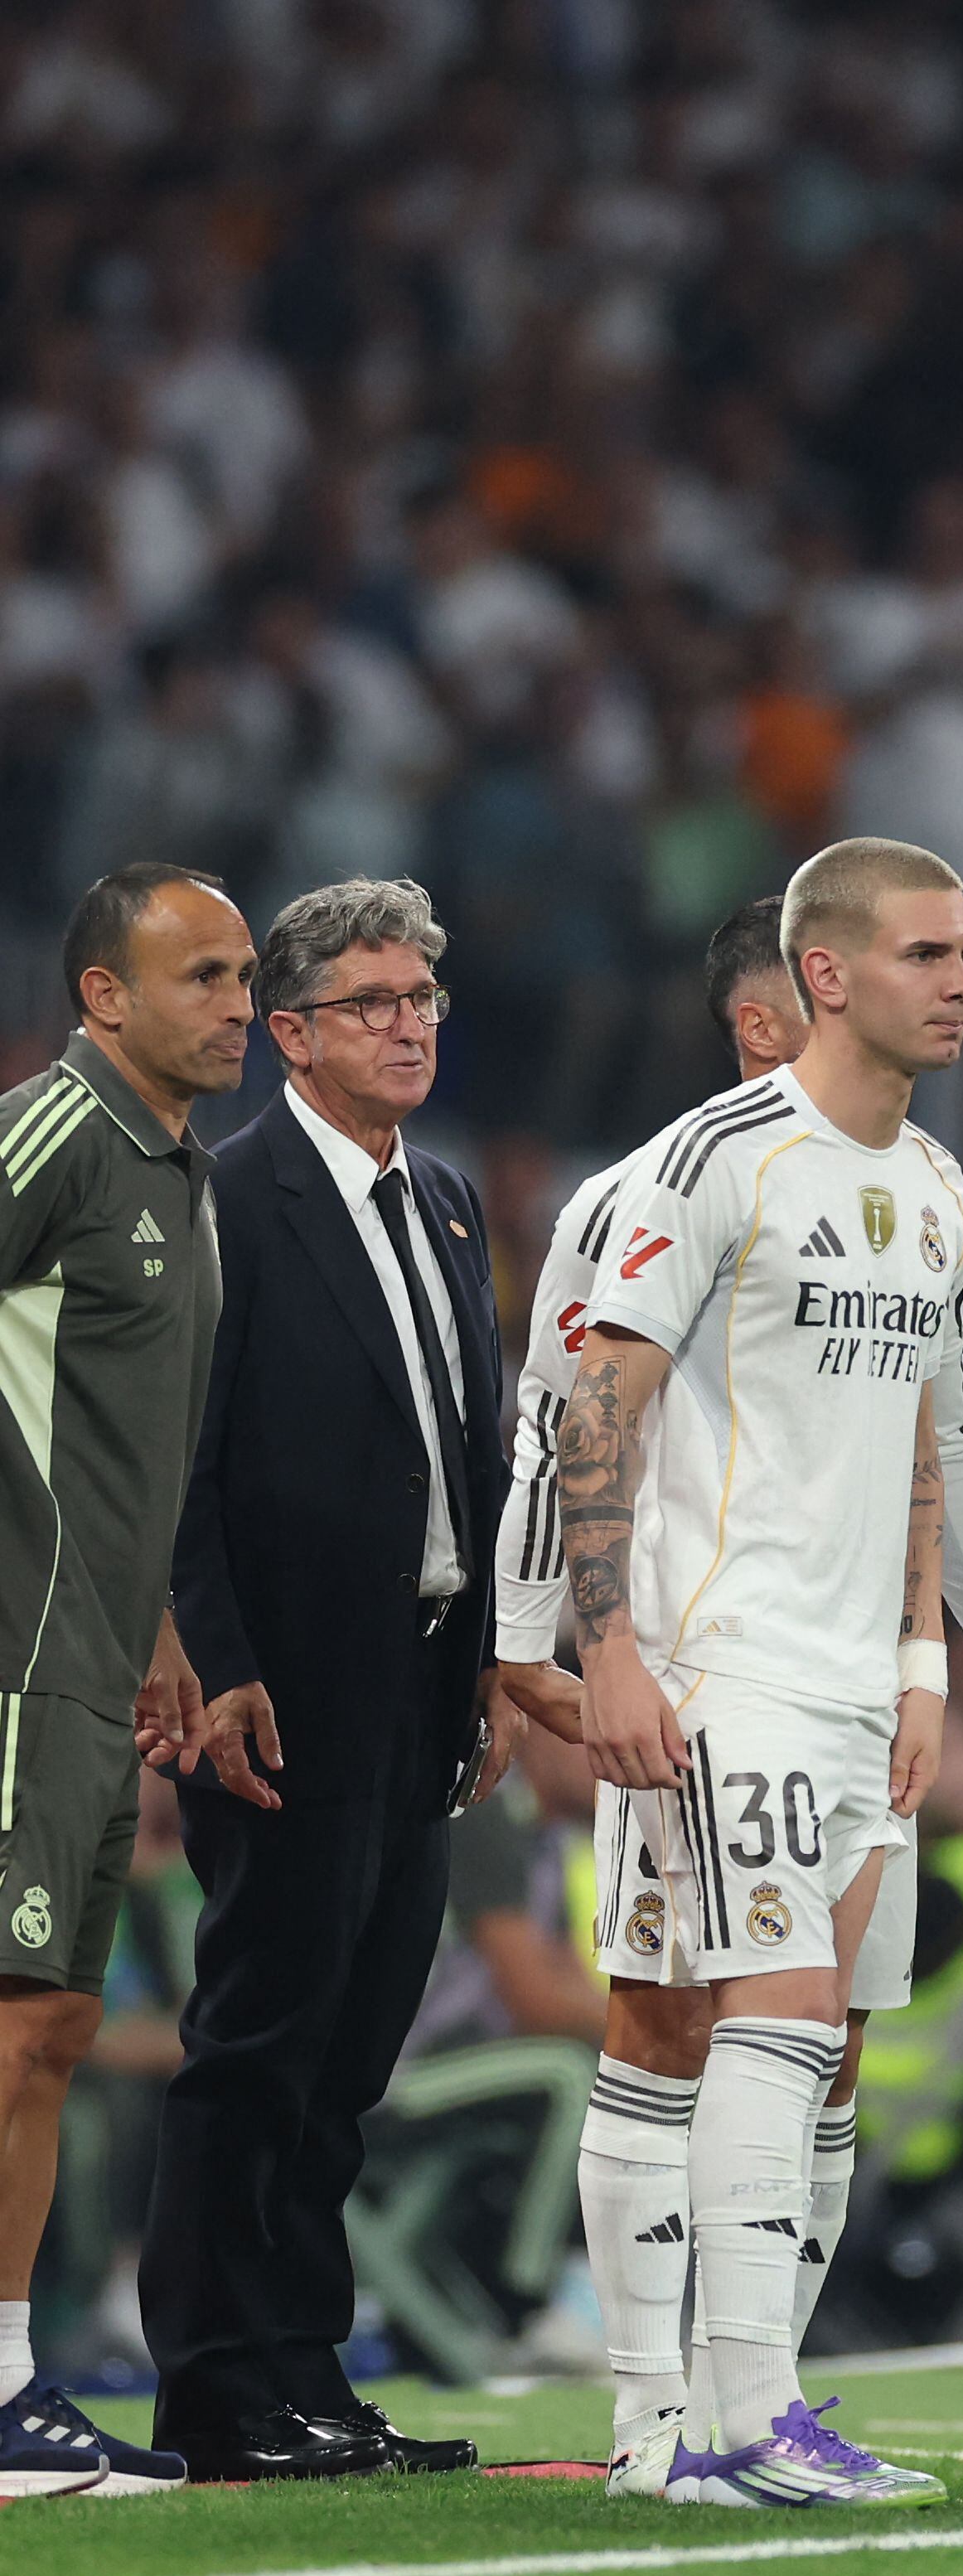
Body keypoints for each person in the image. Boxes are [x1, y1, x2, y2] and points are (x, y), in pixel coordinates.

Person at [496, 894, 963, 2495]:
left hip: (852, 1680)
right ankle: (723, 2418)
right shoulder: (699, 1167)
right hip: (713, 1657)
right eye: (929, 954)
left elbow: (933, 1436)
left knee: (811, 2033)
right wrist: (569, 1641)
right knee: (745, 2015)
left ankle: (695, 2427)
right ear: (819, 980)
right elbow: (581, 1411)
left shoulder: (938, 1186)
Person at [140, 879, 521, 2483]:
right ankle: (224, 2382)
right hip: (283, 1679)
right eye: (373, 1002)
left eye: (424, 994)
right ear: (289, 1033)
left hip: (422, 1670)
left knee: (356, 2042)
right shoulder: (225, 1197)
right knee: (263, 2032)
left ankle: (307, 2373)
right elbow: (180, 1466)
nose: (411, 1022)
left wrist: (499, 1657)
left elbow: (473, 1450)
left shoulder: (445, 1198)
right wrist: (214, 1663)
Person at [0, 862, 255, 2497]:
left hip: (94, 1654)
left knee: (53, 2020)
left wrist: (157, 1622)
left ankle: (12, 2382)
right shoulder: (48, 1136)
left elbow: (115, 1438)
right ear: (107, 995)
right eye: (206, 976)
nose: (239, 1003)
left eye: (241, 975)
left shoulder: (176, 1169)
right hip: (15, 1660)